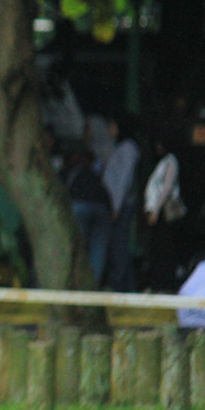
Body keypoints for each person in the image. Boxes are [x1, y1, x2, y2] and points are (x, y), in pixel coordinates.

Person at [141, 130, 186, 291]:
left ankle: (165, 284)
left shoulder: (171, 162)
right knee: (158, 248)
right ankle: (157, 282)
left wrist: (155, 210)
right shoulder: (163, 162)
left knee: (164, 249)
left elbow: (166, 189)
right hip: (157, 212)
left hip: (164, 213)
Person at [102, 111, 141, 291]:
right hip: (114, 205)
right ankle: (124, 285)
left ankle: (122, 287)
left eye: (112, 125)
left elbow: (124, 180)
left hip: (121, 206)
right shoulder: (119, 147)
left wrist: (116, 207)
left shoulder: (129, 149)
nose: (110, 130)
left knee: (119, 247)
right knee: (115, 246)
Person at [63, 148, 112, 286]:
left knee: (78, 249)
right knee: (98, 253)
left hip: (80, 206)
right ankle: (92, 288)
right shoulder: (94, 174)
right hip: (103, 208)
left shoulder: (71, 172)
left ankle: (77, 287)